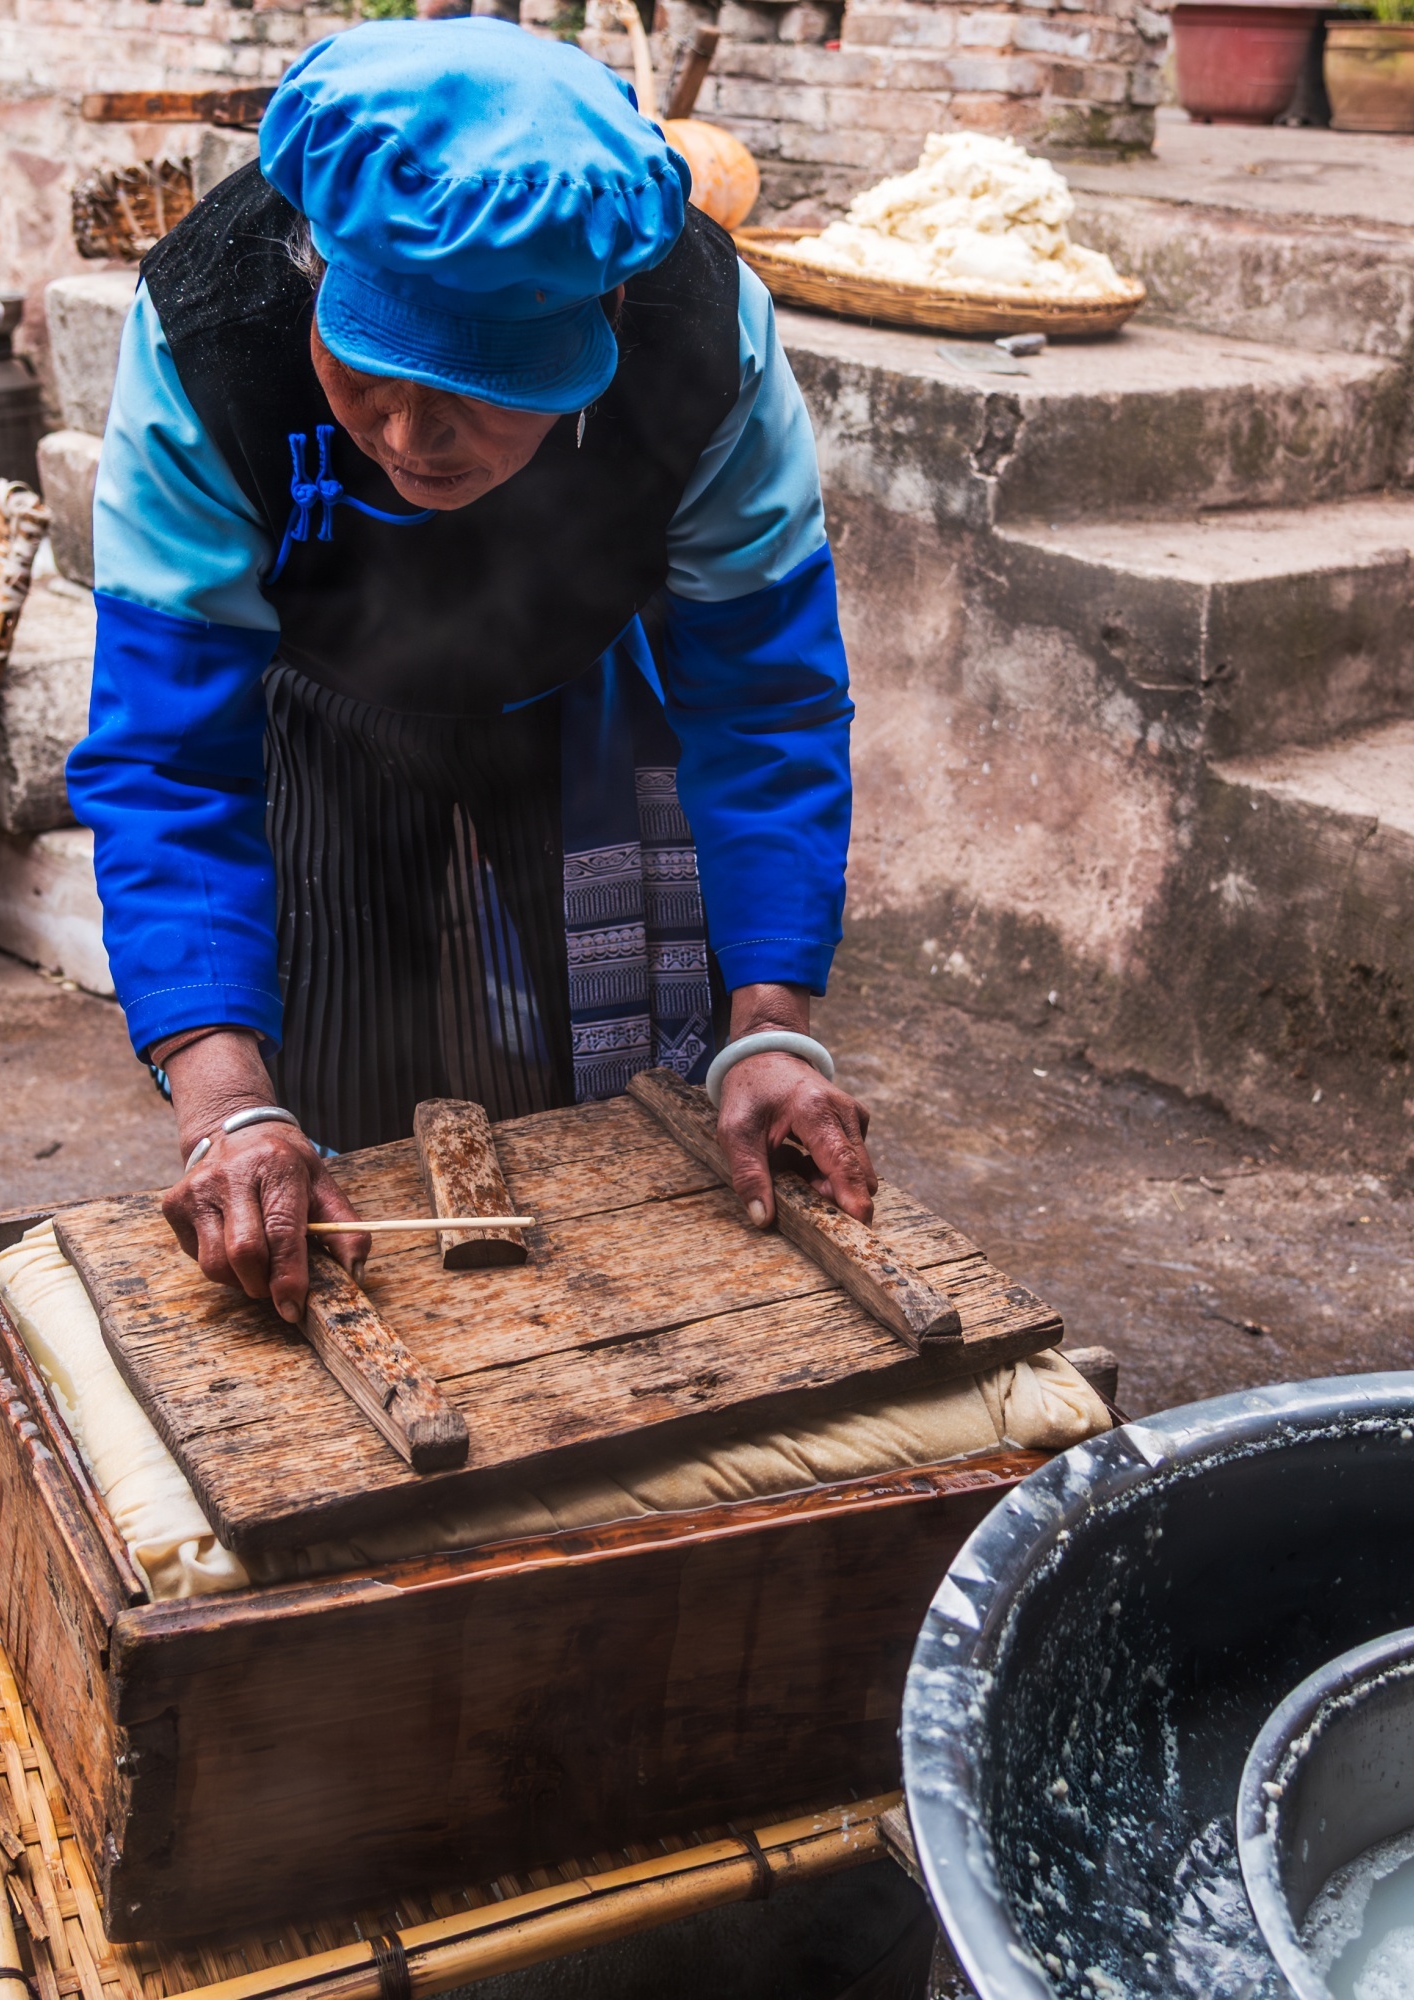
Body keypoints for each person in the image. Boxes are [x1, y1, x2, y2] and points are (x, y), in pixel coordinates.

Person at [67, 18, 876, 1326]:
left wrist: (772, 1018)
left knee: (614, 1095)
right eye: (364, 373)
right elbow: (167, 748)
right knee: (319, 1110)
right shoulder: (209, 334)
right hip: (317, 700)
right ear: (315, 271)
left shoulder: (701, 342)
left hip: (575, 697)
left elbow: (764, 691)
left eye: (476, 394)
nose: (406, 438)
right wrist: (224, 1097)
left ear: (602, 322)